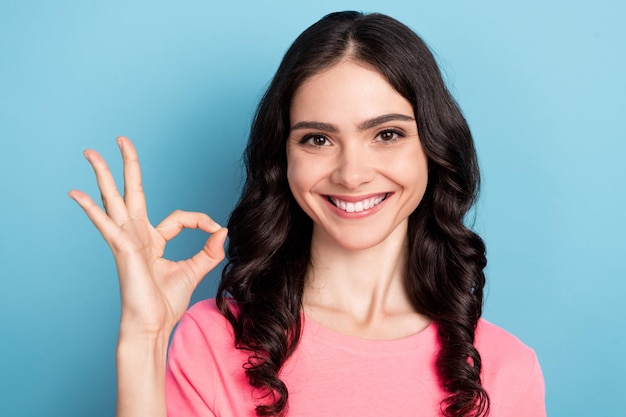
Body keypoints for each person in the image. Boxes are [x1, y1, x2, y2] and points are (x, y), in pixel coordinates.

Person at [69, 11, 546, 417]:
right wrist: (143, 336)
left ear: (433, 149)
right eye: (318, 139)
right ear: (285, 160)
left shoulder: (505, 368)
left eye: (387, 134)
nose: (352, 174)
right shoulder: (212, 341)